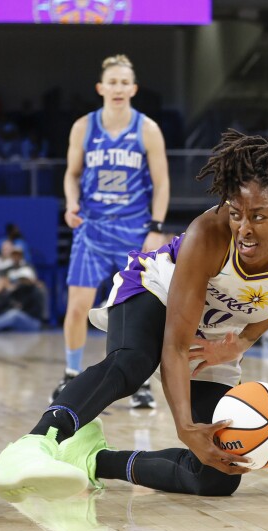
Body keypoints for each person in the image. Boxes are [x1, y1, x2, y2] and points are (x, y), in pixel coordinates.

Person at [0, 131, 268, 501]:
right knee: (133, 363)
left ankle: (92, 460)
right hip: (157, 291)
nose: (244, 229)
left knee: (217, 474)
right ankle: (35, 443)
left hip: (214, 336)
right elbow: (175, 345)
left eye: (258, 217)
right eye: (236, 214)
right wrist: (184, 427)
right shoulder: (209, 233)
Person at [58, 54, 170, 409]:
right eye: (113, 82)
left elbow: (162, 182)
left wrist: (156, 228)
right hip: (91, 229)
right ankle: (72, 375)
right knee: (77, 308)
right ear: (101, 88)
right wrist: (71, 202)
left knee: (139, 314)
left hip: (134, 232)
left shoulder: (147, 129)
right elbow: (71, 174)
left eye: (125, 83)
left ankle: (142, 383)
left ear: (133, 89)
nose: (119, 88)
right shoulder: (83, 127)